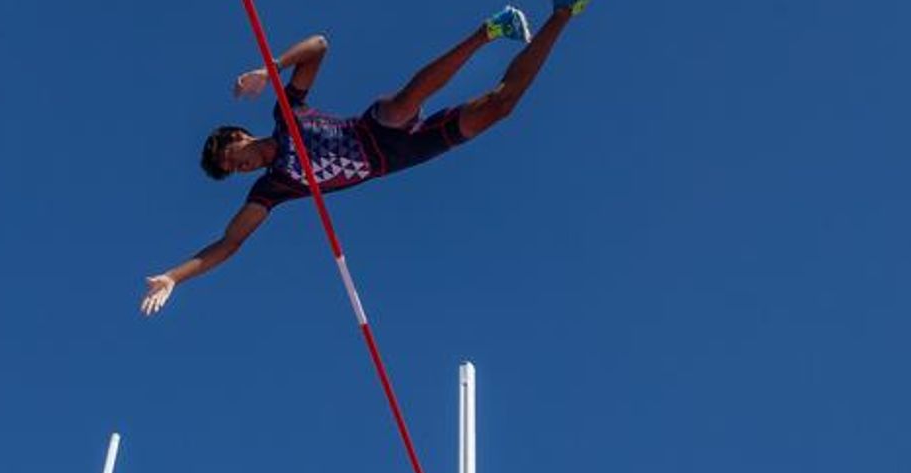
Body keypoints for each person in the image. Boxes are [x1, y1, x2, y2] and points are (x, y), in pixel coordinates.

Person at [140, 1, 592, 316]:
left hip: (374, 129)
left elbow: (320, 45)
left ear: (238, 135)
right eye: (232, 172)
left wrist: (270, 68)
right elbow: (229, 242)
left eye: (232, 157)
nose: (239, 168)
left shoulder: (287, 113)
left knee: (401, 106)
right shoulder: (272, 188)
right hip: (401, 157)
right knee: (501, 105)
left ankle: (492, 29)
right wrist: (174, 279)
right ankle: (564, 11)